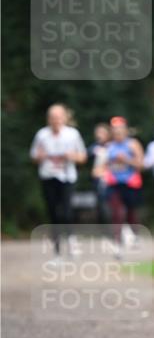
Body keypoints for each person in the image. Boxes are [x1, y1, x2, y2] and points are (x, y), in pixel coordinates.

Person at [30, 103, 87, 256]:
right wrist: (39, 156)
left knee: (67, 212)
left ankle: (71, 240)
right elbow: (33, 156)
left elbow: (83, 157)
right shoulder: (42, 135)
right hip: (48, 176)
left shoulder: (72, 134)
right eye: (52, 117)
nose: (55, 120)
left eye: (58, 117)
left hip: (67, 177)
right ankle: (57, 247)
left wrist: (72, 156)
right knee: (53, 212)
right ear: (48, 119)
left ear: (64, 118)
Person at [104, 116, 144, 253]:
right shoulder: (108, 147)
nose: (118, 133)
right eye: (115, 131)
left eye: (120, 131)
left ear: (125, 131)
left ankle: (135, 235)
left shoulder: (133, 144)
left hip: (130, 183)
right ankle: (117, 241)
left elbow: (141, 165)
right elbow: (102, 165)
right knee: (117, 212)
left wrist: (126, 160)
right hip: (114, 183)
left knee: (131, 213)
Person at [88, 122, 111, 224]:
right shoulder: (94, 147)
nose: (99, 135)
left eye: (102, 132)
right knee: (100, 205)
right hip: (97, 180)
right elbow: (85, 156)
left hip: (111, 180)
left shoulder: (113, 146)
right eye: (98, 132)